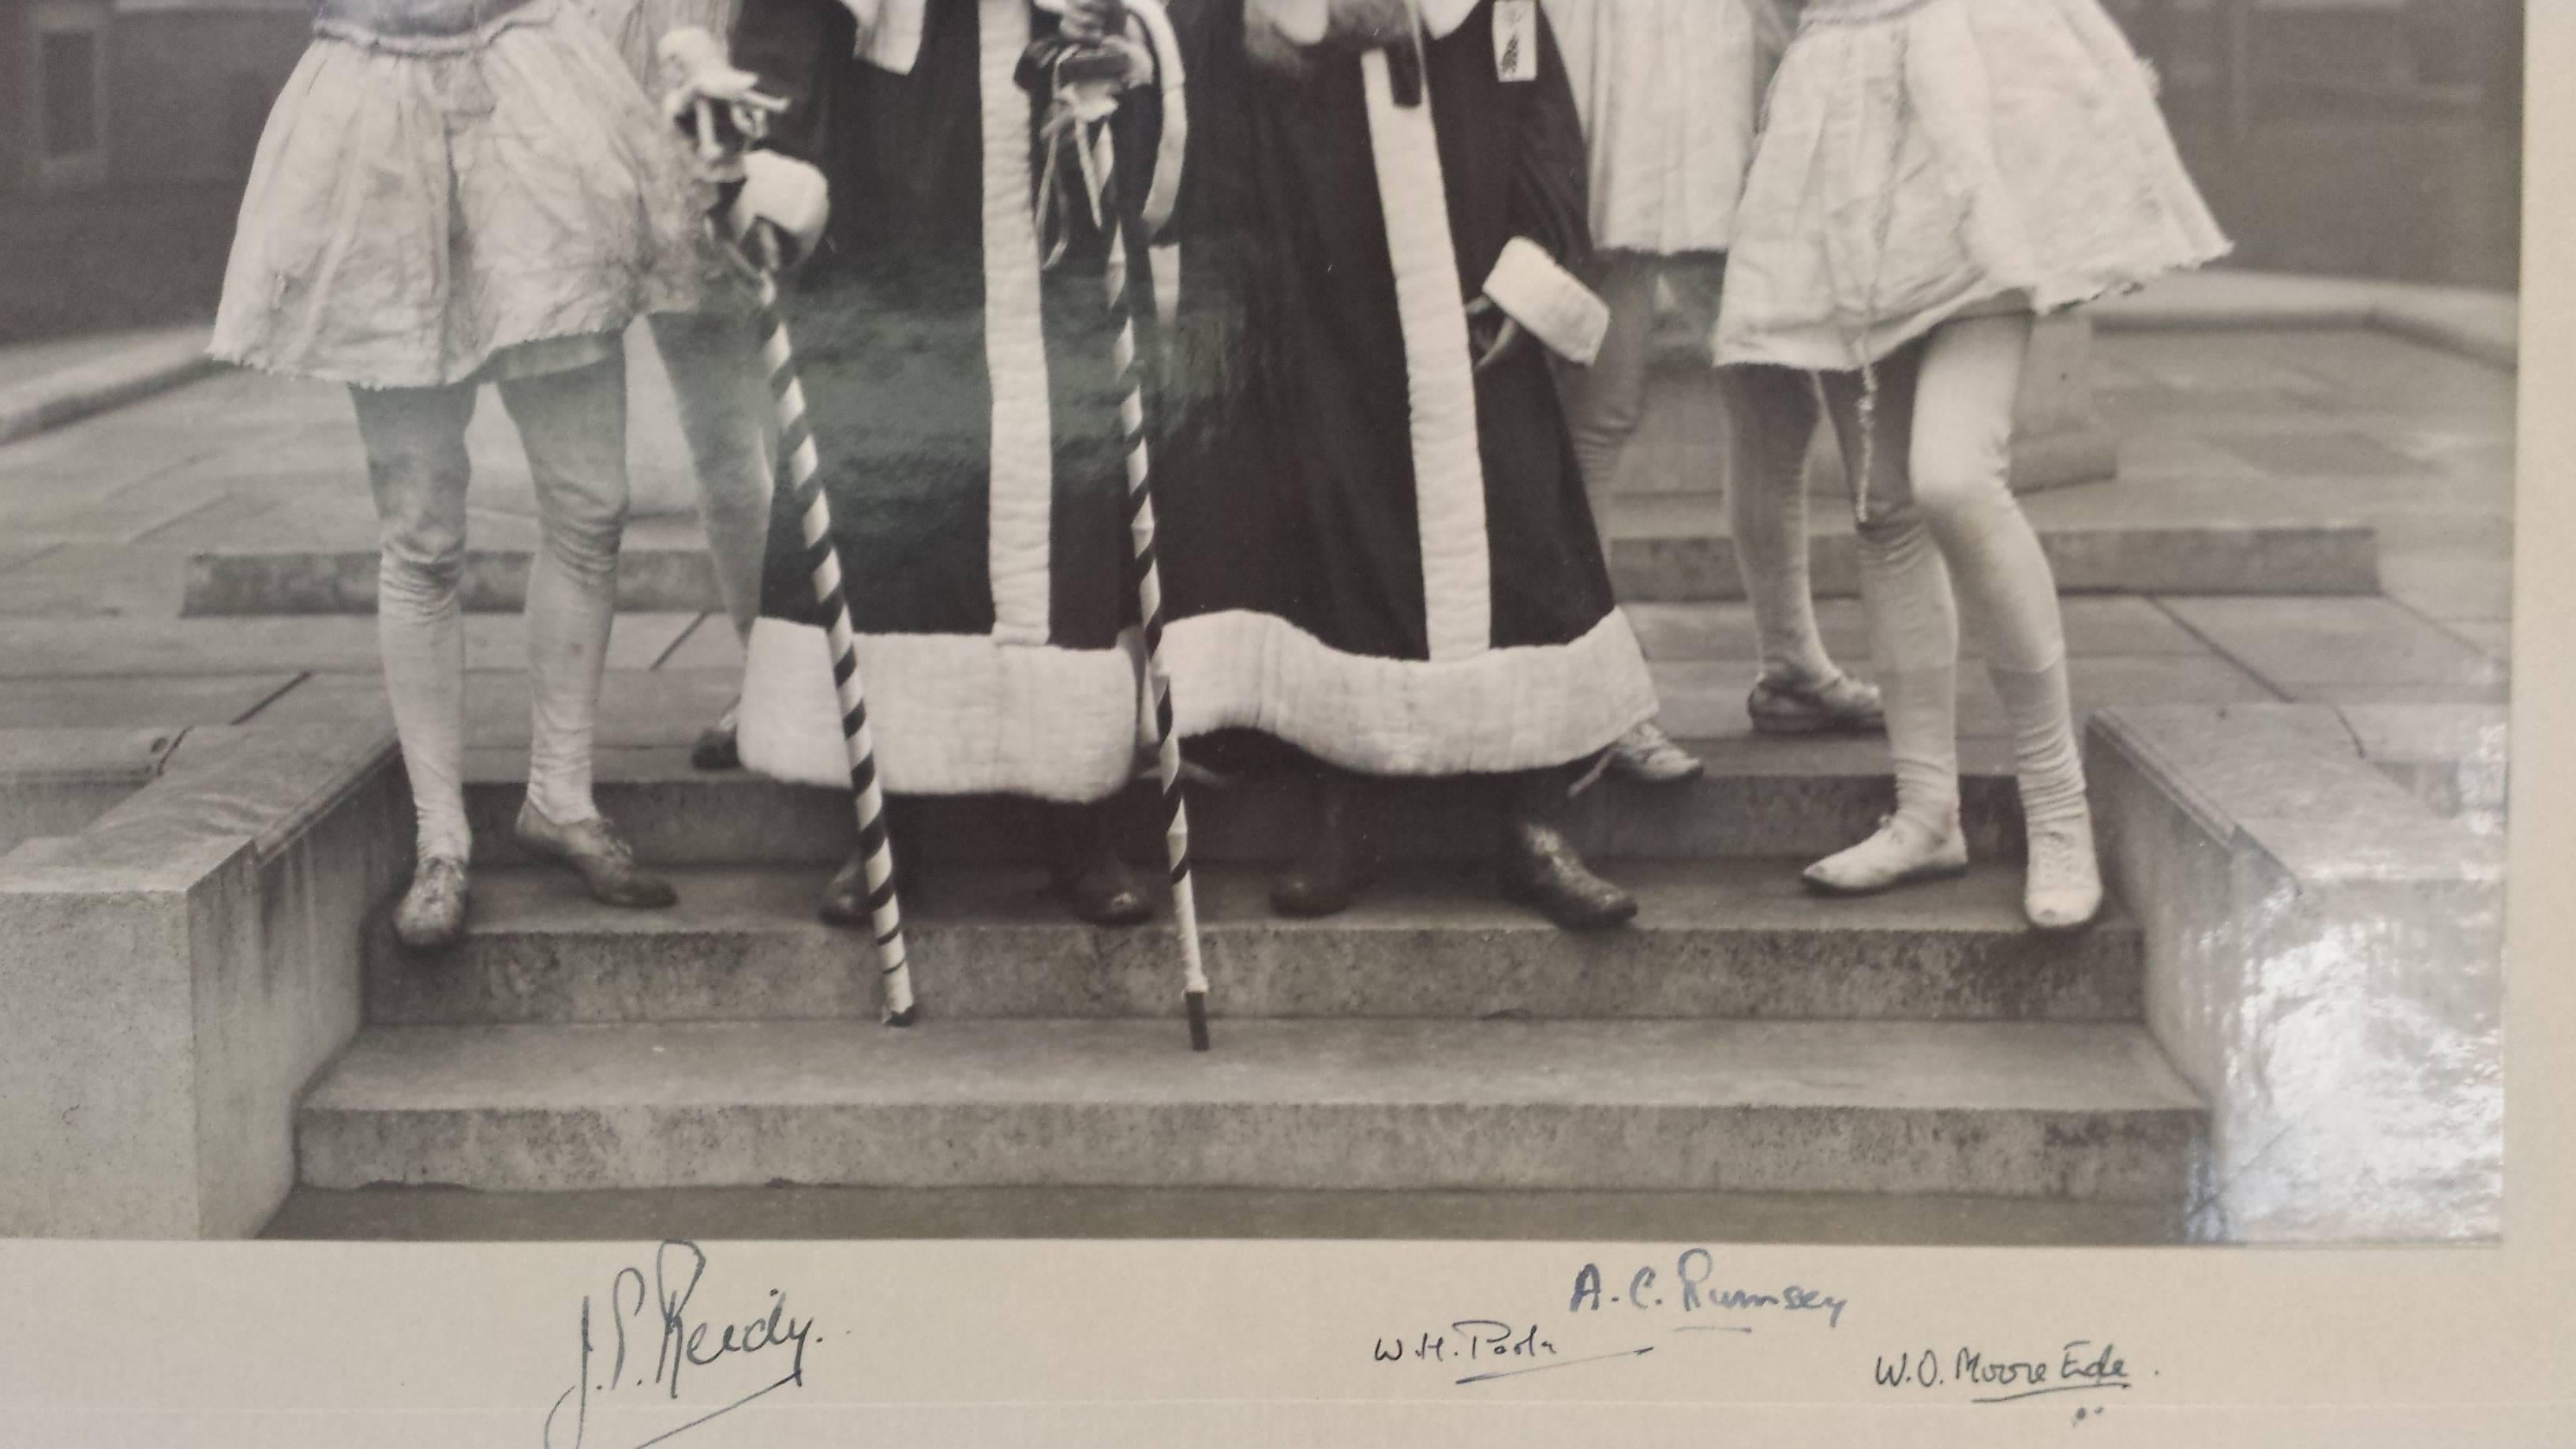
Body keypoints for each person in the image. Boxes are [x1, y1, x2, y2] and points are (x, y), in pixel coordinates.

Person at [1714, 0, 2227, 929]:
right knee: (1885, 505)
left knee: (1954, 477)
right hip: (1837, 120)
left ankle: (2058, 806)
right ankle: (1925, 812)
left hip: (1978, 96)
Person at [210, 0, 711, 950]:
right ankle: (441, 837)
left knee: (591, 503)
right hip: (376, 126)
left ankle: (562, 795)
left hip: (536, 105)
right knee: (421, 532)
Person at [1150, 0, 1660, 930]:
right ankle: (1353, 808)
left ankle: (1536, 820)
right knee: (1347, 540)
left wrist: (1530, 270)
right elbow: (1216, 103)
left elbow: (1538, 104)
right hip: (1331, 305)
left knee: (1523, 536)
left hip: (1473, 298)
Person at [712, 0, 1183, 925]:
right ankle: (891, 819)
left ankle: (1080, 821)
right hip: (897, 182)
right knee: (902, 487)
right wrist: (767, 166)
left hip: (1053, 144)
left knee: (1063, 490)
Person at [1542, 0, 1883, 768]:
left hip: (1737, 78)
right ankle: (1599, 700)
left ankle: (1793, 667)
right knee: (1602, 400)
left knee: (1778, 393)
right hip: (1617, 71)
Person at [575, 0, 790, 774]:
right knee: (726, 455)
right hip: (663, 194)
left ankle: (842, 665)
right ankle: (765, 673)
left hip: (783, 158)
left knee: (808, 439)